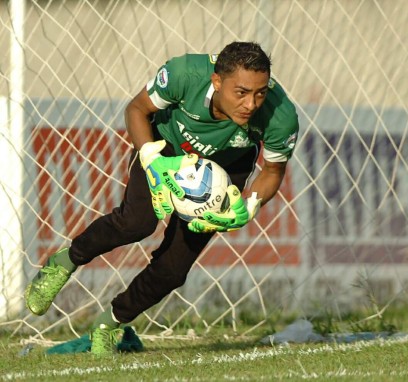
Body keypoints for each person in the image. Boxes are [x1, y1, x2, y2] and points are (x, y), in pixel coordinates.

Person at [24, 41, 299, 355]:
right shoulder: (184, 73)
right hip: (163, 148)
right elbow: (136, 109)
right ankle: (63, 263)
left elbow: (273, 171)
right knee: (136, 222)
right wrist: (152, 160)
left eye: (260, 92)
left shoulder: (280, 116)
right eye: (242, 93)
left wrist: (250, 206)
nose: (251, 104)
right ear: (217, 81)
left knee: (174, 269)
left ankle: (110, 324)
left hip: (224, 171)